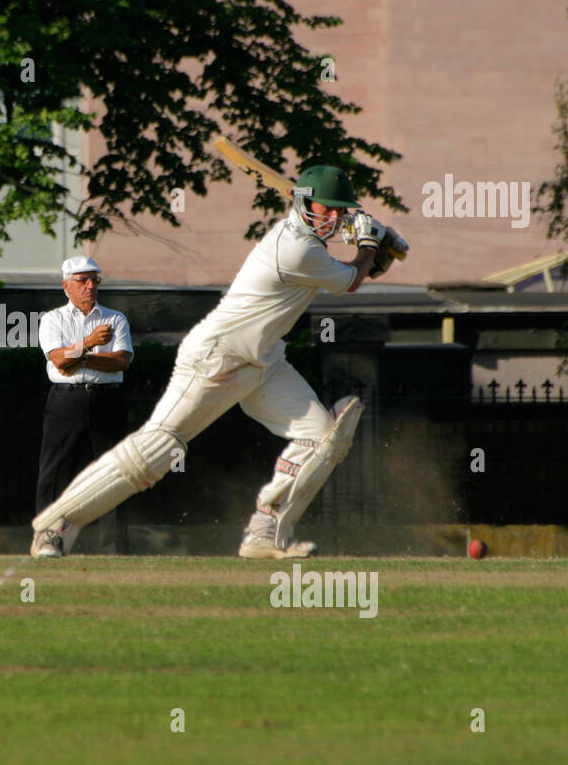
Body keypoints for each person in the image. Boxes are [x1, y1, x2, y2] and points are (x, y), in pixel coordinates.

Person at [29, 165, 398, 559]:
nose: (336, 218)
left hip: (264, 360)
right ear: (305, 202)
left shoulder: (310, 246)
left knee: (323, 437)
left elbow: (357, 271)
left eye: (341, 211)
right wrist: (370, 245)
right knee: (158, 449)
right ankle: (55, 526)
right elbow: (352, 279)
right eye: (329, 209)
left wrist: (373, 252)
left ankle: (264, 532)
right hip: (217, 356)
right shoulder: (295, 247)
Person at [35, 256, 133, 553]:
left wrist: (81, 357)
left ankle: (114, 545)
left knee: (115, 471)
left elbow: (121, 360)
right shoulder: (53, 319)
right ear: (67, 286)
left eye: (95, 280)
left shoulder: (116, 318)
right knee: (55, 471)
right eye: (83, 280)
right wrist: (89, 343)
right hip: (67, 400)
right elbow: (58, 360)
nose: (91, 285)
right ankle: (50, 537)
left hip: (108, 399)